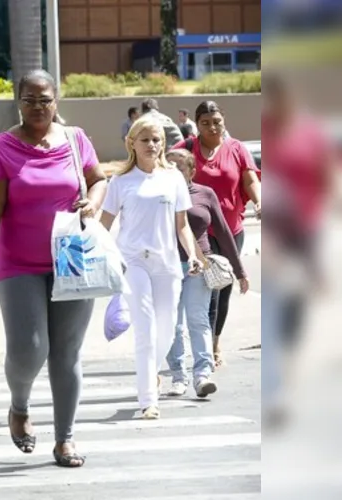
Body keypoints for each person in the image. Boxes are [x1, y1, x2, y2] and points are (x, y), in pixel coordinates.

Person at [0, 69, 107, 468]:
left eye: (44, 99)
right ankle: (19, 405)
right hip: (18, 263)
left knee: (66, 352)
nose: (37, 107)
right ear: (18, 101)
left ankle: (65, 439)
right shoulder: (1, 148)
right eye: (29, 99)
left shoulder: (74, 139)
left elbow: (98, 179)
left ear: (56, 101)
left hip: (71, 258)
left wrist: (95, 202)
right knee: (30, 348)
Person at [100, 116, 204, 420]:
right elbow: (104, 225)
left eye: (157, 139)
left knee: (168, 328)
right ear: (132, 143)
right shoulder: (119, 181)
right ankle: (148, 399)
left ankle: (152, 375)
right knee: (145, 328)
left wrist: (193, 254)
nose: (152, 145)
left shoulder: (173, 179)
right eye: (145, 139)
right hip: (132, 262)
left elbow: (182, 226)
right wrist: (93, 254)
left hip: (167, 263)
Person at [172, 101, 261, 366]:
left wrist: (259, 201)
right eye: (206, 123)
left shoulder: (236, 148)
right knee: (204, 291)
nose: (212, 127)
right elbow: (161, 169)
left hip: (229, 229)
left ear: (224, 120)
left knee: (222, 289)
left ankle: (214, 341)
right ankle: (202, 348)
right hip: (197, 231)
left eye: (217, 121)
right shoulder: (186, 149)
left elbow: (250, 179)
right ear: (196, 125)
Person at [164, 149, 248, 398]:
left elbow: (223, 231)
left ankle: (202, 375)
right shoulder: (158, 194)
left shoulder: (205, 193)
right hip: (166, 268)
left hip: (198, 265)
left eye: (179, 167)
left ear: (192, 170)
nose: (173, 171)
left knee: (198, 319)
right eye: (168, 166)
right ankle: (178, 376)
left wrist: (240, 270)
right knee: (173, 324)